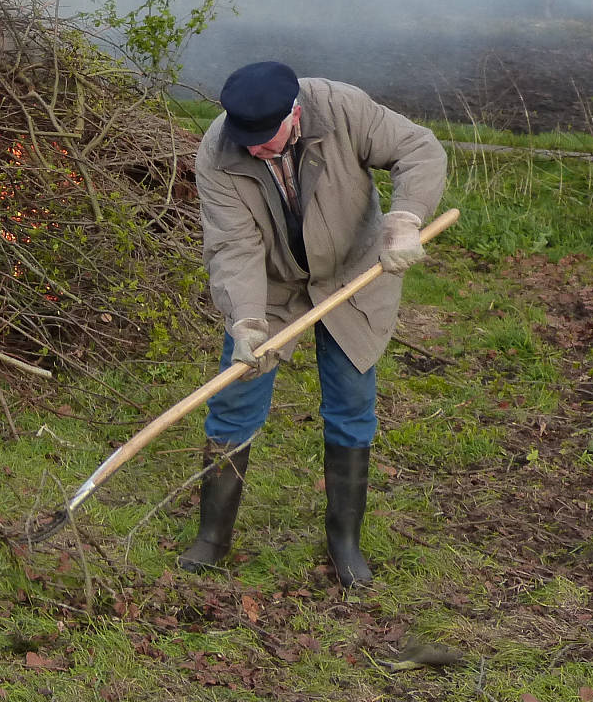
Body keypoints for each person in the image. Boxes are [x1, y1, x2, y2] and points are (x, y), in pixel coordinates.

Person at [178, 60, 446, 588]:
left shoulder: (343, 108)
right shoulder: (217, 152)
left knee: (350, 403)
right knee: (235, 397)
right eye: (245, 138)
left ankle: (344, 543)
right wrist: (248, 319)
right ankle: (213, 537)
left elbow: (419, 149)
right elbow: (234, 246)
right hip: (272, 286)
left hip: (355, 273)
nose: (254, 147)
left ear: (294, 113)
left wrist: (407, 217)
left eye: (264, 137)